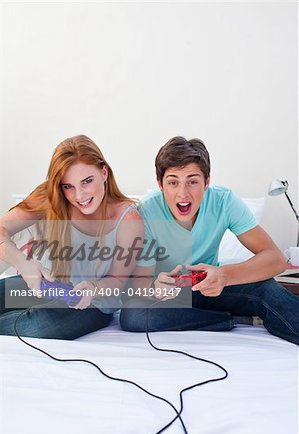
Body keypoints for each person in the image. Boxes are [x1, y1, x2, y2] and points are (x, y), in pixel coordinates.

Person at [120, 136, 299, 345]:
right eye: (173, 182)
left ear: (206, 182)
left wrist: (223, 276)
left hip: (211, 287)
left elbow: (276, 259)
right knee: (132, 315)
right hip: (170, 298)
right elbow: (140, 285)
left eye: (192, 181)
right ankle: (228, 320)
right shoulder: (146, 212)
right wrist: (155, 289)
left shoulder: (223, 201)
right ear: (160, 184)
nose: (182, 193)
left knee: (267, 289)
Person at [0, 135, 142, 339]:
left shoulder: (129, 219)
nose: (80, 195)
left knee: (39, 325)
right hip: (48, 284)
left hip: (93, 304)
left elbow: (117, 281)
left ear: (104, 172)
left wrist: (93, 288)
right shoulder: (50, 196)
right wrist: (24, 265)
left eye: (87, 181)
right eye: (68, 186)